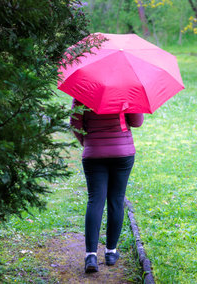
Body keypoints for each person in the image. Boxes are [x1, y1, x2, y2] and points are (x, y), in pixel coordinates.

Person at [70, 98, 144, 273]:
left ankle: (90, 256)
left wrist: (87, 143)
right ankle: (111, 252)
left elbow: (75, 124)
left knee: (95, 201)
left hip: (94, 153)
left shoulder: (83, 91)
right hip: (122, 152)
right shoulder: (127, 91)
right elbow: (137, 121)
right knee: (116, 201)